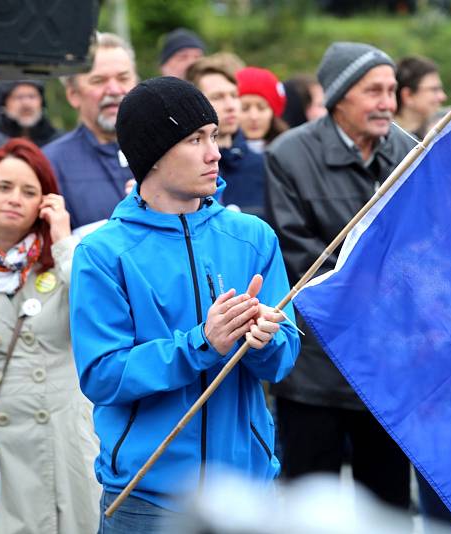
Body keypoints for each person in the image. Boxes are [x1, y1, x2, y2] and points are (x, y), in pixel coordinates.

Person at [69, 76, 299, 531]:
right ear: (152, 156)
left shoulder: (253, 237)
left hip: (248, 495)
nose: (214, 152)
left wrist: (264, 341)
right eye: (195, 139)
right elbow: (102, 375)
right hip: (147, 501)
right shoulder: (102, 253)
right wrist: (201, 344)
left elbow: (283, 360)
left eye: (213, 136)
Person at [265, 42, 414, 512]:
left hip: (387, 372)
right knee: (309, 511)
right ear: (338, 96)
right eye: (374, 91)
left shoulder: (411, 152)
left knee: (387, 509)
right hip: (314, 369)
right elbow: (296, 254)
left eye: (391, 90)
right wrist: (379, 283)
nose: (388, 103)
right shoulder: (288, 156)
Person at [0, 138, 100, 533]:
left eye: (29, 191)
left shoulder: (66, 258)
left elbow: (97, 314)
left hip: (67, 441)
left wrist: (64, 237)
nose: (14, 199)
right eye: (4, 187)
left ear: (46, 201)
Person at [43, 32, 137, 230]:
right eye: (98, 80)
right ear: (73, 94)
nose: (113, 89)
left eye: (123, 78)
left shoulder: (168, 151)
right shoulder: (51, 164)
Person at [188, 56, 268, 218]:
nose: (231, 106)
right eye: (217, 97)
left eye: (234, 95)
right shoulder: (183, 172)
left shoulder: (265, 166)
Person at [0, 80, 61, 146]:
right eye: (18, 97)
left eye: (32, 96)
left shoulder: (57, 141)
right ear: (4, 104)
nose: (26, 103)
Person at [236, 67, 288, 152]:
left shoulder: (289, 150)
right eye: (244, 108)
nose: (253, 117)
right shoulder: (216, 155)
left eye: (261, 108)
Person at [394, 56, 447, 139]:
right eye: (434, 89)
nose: (443, 97)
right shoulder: (386, 141)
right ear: (408, 95)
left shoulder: (443, 128)